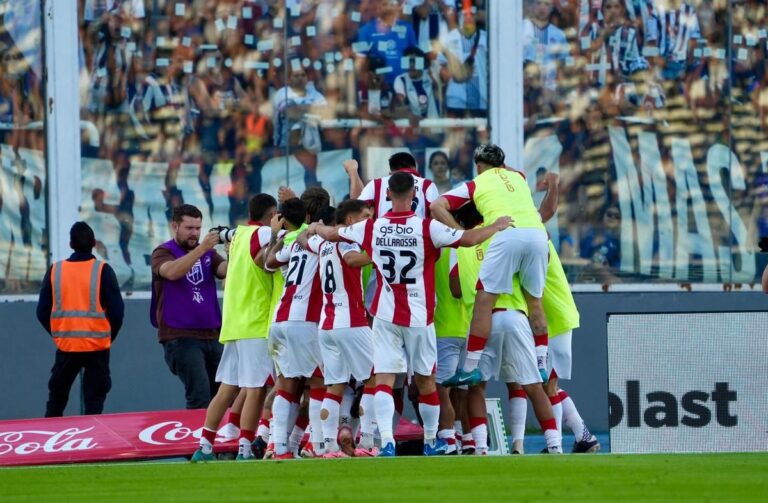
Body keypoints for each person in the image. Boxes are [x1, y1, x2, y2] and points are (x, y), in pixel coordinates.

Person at [308, 171, 512, 457]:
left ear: (388, 195)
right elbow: (467, 239)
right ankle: (430, 441)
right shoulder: (427, 228)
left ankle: (387, 442)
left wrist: (316, 228)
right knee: (426, 379)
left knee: (384, 379)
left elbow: (331, 233)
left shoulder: (372, 227)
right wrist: (496, 226)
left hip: (385, 314)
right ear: (414, 196)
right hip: (419, 316)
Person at [431, 143, 549, 387]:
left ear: (478, 166)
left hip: (507, 233)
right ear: (503, 164)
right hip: (538, 234)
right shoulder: (519, 177)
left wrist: (459, 233)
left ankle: (470, 368)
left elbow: (436, 206)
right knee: (534, 301)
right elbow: (507, 170)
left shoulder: (476, 183)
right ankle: (541, 365)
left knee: (484, 301)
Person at [191, 194, 280, 462]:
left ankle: (204, 446)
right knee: (256, 388)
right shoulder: (263, 234)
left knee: (227, 388)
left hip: (233, 322)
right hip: (255, 322)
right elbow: (287, 232)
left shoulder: (238, 235)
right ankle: (244, 448)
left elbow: (219, 234)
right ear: (271, 215)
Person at [298, 198, 377, 457]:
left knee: (335, 385)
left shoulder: (321, 244)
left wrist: (313, 228)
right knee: (374, 380)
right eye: (365, 216)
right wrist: (379, 252)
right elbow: (353, 260)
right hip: (352, 322)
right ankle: (367, 442)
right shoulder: (346, 242)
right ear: (351, 221)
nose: (370, 220)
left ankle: (328, 446)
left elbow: (301, 239)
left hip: (327, 324)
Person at [37, 221, 124, 417]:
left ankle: (50, 442)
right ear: (94, 242)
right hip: (97, 347)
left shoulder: (56, 270)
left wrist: (60, 333)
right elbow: (118, 313)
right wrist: (108, 337)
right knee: (94, 405)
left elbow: (42, 311)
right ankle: (90, 444)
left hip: (66, 346)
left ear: (70, 244)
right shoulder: (103, 270)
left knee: (56, 401)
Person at [150, 204, 228, 409]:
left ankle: (220, 438)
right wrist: (202, 248)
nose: (194, 233)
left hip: (212, 334)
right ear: (175, 226)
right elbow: (172, 272)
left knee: (225, 395)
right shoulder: (163, 252)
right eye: (189, 228)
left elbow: (225, 270)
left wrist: (236, 252)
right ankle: (198, 439)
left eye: (198, 228)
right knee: (199, 395)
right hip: (181, 336)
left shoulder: (209, 255)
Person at [348, 151, 439, 218]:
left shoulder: (376, 184)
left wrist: (353, 171)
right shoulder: (427, 184)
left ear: (391, 170)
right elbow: (436, 214)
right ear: (414, 168)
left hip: (383, 239)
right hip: (417, 239)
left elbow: (356, 208)